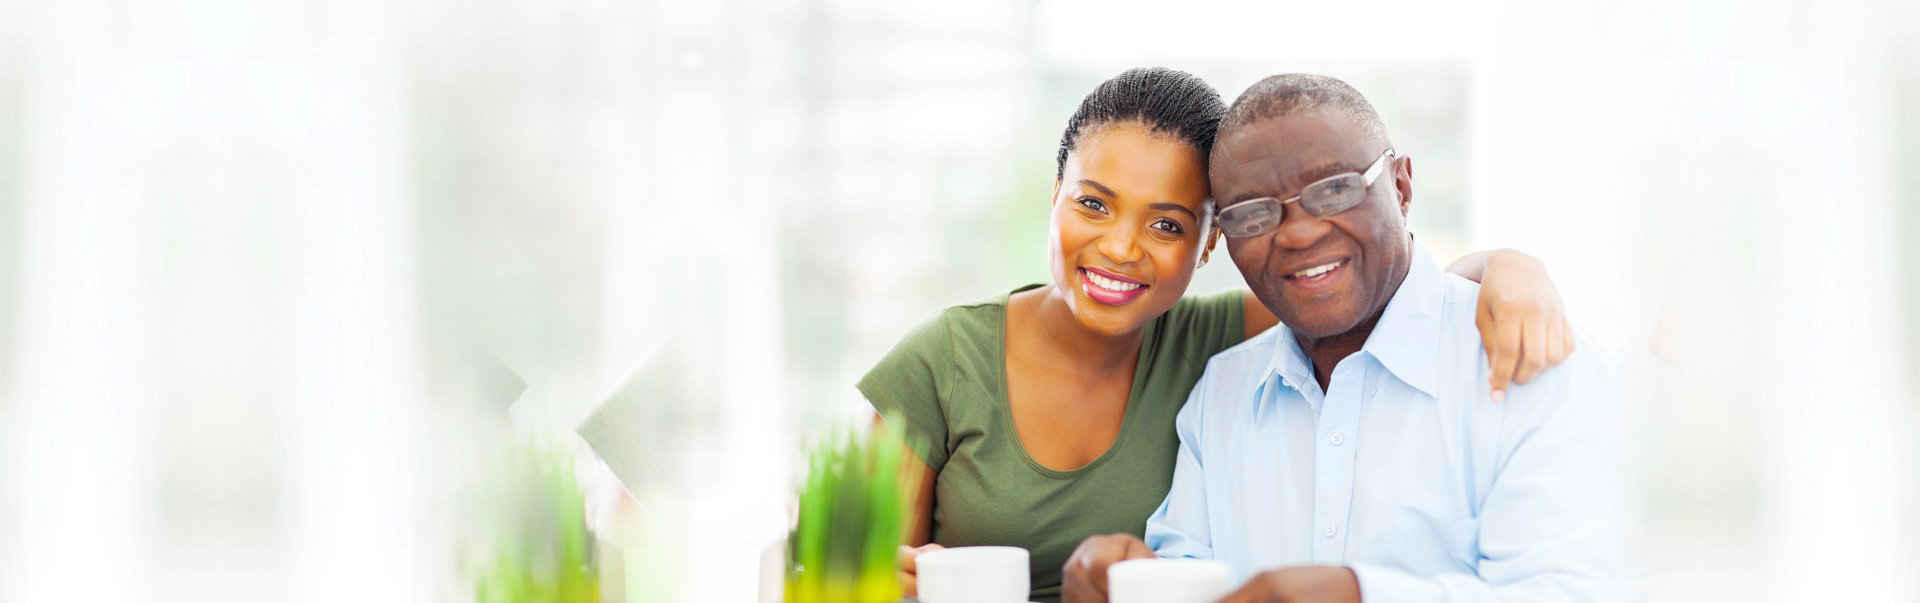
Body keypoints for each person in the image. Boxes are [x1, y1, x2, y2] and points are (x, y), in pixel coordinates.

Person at [861, 68, 1576, 603]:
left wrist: (1512, 268)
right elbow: (835, 569)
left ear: (1210, 245)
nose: (1120, 247)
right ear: (1055, 198)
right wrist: (870, 577)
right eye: (1093, 204)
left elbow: (1378, 286)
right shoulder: (943, 363)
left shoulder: (1223, 340)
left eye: (1167, 223)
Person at [1059, 74, 1623, 603]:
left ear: (1401, 187)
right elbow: (1187, 565)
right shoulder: (1223, 389)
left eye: (1334, 190)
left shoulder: (1533, 363)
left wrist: (1359, 593)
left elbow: (1568, 590)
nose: (1300, 232)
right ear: (1223, 242)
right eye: (1253, 214)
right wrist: (1136, 576)